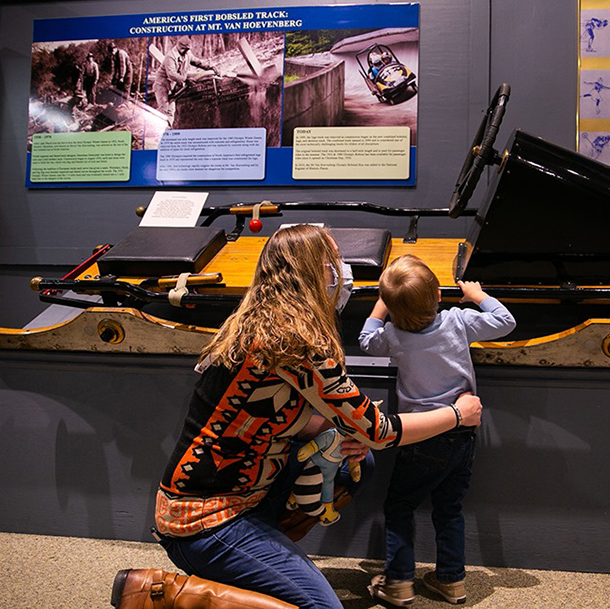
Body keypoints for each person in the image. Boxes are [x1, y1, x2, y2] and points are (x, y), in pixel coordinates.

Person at [150, 225, 484, 609]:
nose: (342, 271)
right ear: (312, 274)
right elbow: (380, 432)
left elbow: (273, 417)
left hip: (221, 495)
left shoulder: (256, 321)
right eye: (333, 262)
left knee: (354, 463)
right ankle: (186, 594)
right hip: (206, 520)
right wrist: (458, 414)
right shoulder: (298, 343)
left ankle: (260, 560)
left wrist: (343, 432)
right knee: (323, 606)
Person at [359, 254, 516, 606]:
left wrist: (380, 308)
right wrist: (478, 296)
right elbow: (505, 321)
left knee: (400, 506)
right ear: (439, 297)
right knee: (450, 508)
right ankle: (451, 581)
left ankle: (399, 582)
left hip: (419, 438)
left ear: (392, 306)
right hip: (462, 434)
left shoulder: (393, 334)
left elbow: (366, 339)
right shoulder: (458, 321)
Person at [152, 34, 217, 125]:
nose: (187, 51)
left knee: (171, 111)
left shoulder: (187, 54)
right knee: (164, 109)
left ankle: (166, 130)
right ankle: (154, 130)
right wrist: (186, 79)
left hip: (172, 86)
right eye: (185, 49)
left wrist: (210, 67)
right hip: (162, 85)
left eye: (188, 49)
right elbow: (172, 74)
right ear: (180, 47)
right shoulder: (170, 57)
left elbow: (197, 62)